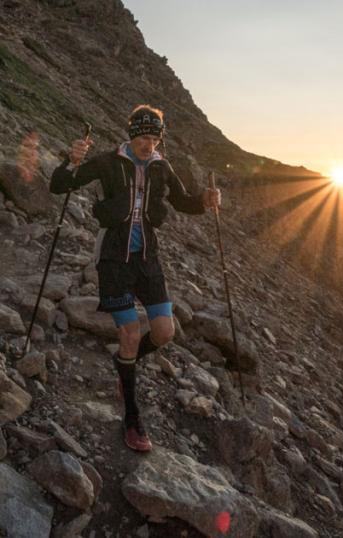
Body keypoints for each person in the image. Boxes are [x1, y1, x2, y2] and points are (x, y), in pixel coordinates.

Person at [50, 105, 220, 452]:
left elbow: (184, 202)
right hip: (113, 257)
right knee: (129, 332)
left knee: (164, 332)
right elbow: (60, 185)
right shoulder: (109, 161)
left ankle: (124, 364)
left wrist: (205, 201)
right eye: (143, 137)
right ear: (131, 134)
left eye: (154, 138)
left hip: (148, 260)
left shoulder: (162, 166)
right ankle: (132, 417)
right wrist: (72, 159)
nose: (149, 144)